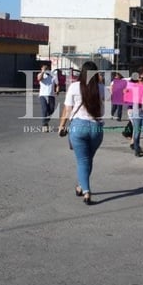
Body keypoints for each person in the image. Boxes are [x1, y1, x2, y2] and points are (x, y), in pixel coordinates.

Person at [58, 61, 105, 206]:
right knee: (88, 160)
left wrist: (61, 126)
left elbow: (67, 110)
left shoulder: (74, 87)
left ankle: (86, 191)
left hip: (78, 127)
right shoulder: (101, 88)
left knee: (83, 161)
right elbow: (107, 103)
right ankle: (80, 186)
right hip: (96, 128)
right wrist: (101, 82)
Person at [37, 65, 58, 133]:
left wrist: (57, 90)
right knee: (45, 109)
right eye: (44, 68)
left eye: (47, 68)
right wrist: (43, 72)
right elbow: (39, 79)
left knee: (51, 110)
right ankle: (44, 125)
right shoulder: (40, 74)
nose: (46, 69)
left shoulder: (54, 76)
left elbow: (57, 84)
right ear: (41, 69)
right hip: (43, 95)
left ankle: (46, 121)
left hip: (51, 95)